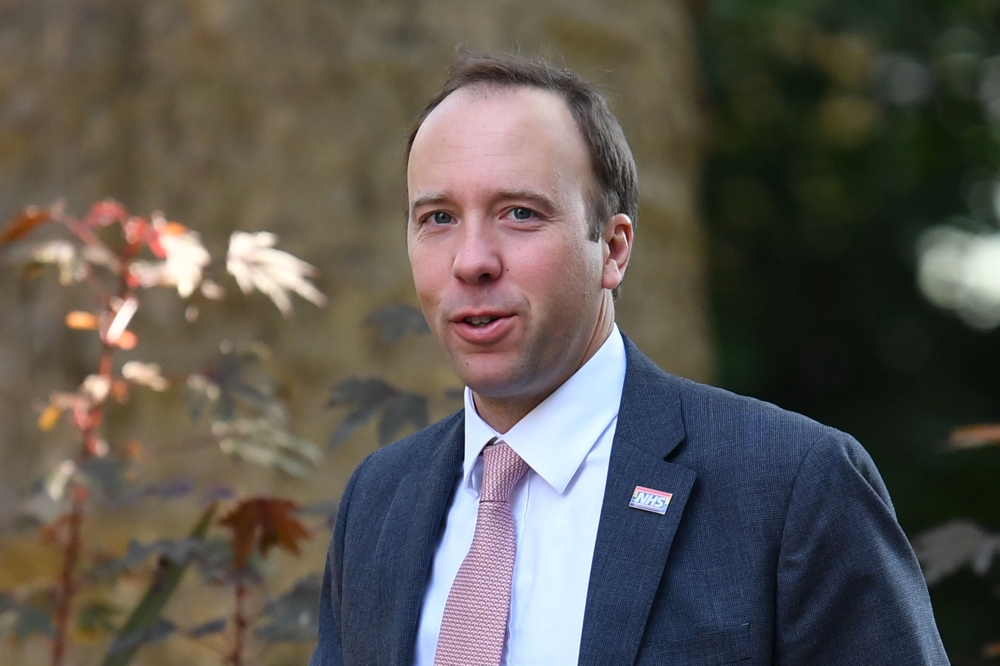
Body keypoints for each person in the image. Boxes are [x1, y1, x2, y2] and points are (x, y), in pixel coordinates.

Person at [311, 52, 948, 666]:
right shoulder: (379, 499)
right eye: (439, 217)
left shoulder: (792, 487)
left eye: (520, 213)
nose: (472, 259)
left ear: (613, 249)